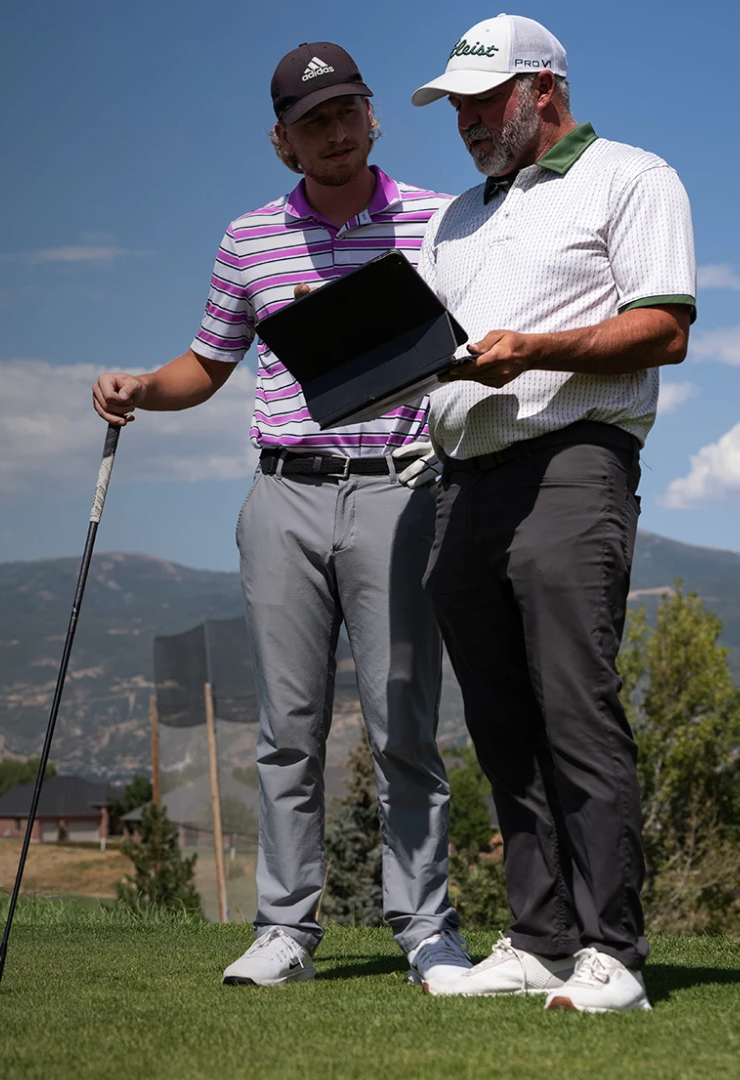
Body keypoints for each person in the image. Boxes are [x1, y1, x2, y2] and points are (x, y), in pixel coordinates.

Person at [91, 42, 471, 989]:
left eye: (348, 112)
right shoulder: (248, 238)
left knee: (403, 725)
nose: (335, 133)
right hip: (283, 495)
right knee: (287, 728)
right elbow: (207, 364)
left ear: (373, 115)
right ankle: (284, 933)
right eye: (313, 122)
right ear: (282, 140)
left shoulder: (440, 221)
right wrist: (143, 385)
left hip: (401, 485)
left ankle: (426, 928)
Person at [407, 14, 695, 1013]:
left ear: (545, 91)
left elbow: (663, 327)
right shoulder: (454, 219)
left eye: (485, 100)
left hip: (576, 459)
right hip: (466, 477)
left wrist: (534, 348)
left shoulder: (632, 177)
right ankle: (539, 937)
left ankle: (613, 953)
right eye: (457, 107)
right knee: (499, 719)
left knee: (574, 703)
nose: (468, 121)